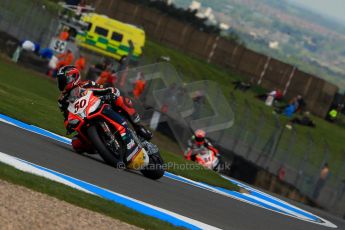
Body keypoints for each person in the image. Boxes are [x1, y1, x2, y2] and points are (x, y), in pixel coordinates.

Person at [56, 66, 152, 155]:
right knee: (76, 143)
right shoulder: (62, 100)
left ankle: (139, 127)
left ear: (73, 78)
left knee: (121, 100)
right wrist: (68, 125)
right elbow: (66, 117)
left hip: (100, 108)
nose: (61, 83)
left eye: (63, 80)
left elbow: (104, 89)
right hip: (83, 121)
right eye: (60, 81)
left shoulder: (87, 84)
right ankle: (103, 148)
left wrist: (110, 92)